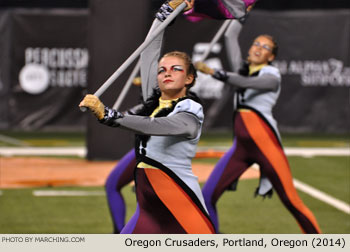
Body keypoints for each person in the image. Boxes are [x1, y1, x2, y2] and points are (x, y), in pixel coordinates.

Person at [80, 0, 215, 234]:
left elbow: (164, 126)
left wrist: (110, 115)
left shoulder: (191, 108)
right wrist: (164, 14)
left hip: (181, 201)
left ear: (190, 79)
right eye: (162, 70)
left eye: (176, 69)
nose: (166, 73)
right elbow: (149, 51)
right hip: (148, 209)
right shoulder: (152, 100)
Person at [195, 19, 322, 233]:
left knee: (292, 202)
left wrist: (214, 72)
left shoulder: (271, 75)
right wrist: (241, 12)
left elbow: (246, 83)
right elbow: (229, 36)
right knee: (206, 197)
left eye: (265, 47)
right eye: (256, 44)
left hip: (266, 145)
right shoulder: (241, 70)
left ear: (271, 57)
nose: (258, 48)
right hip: (240, 149)